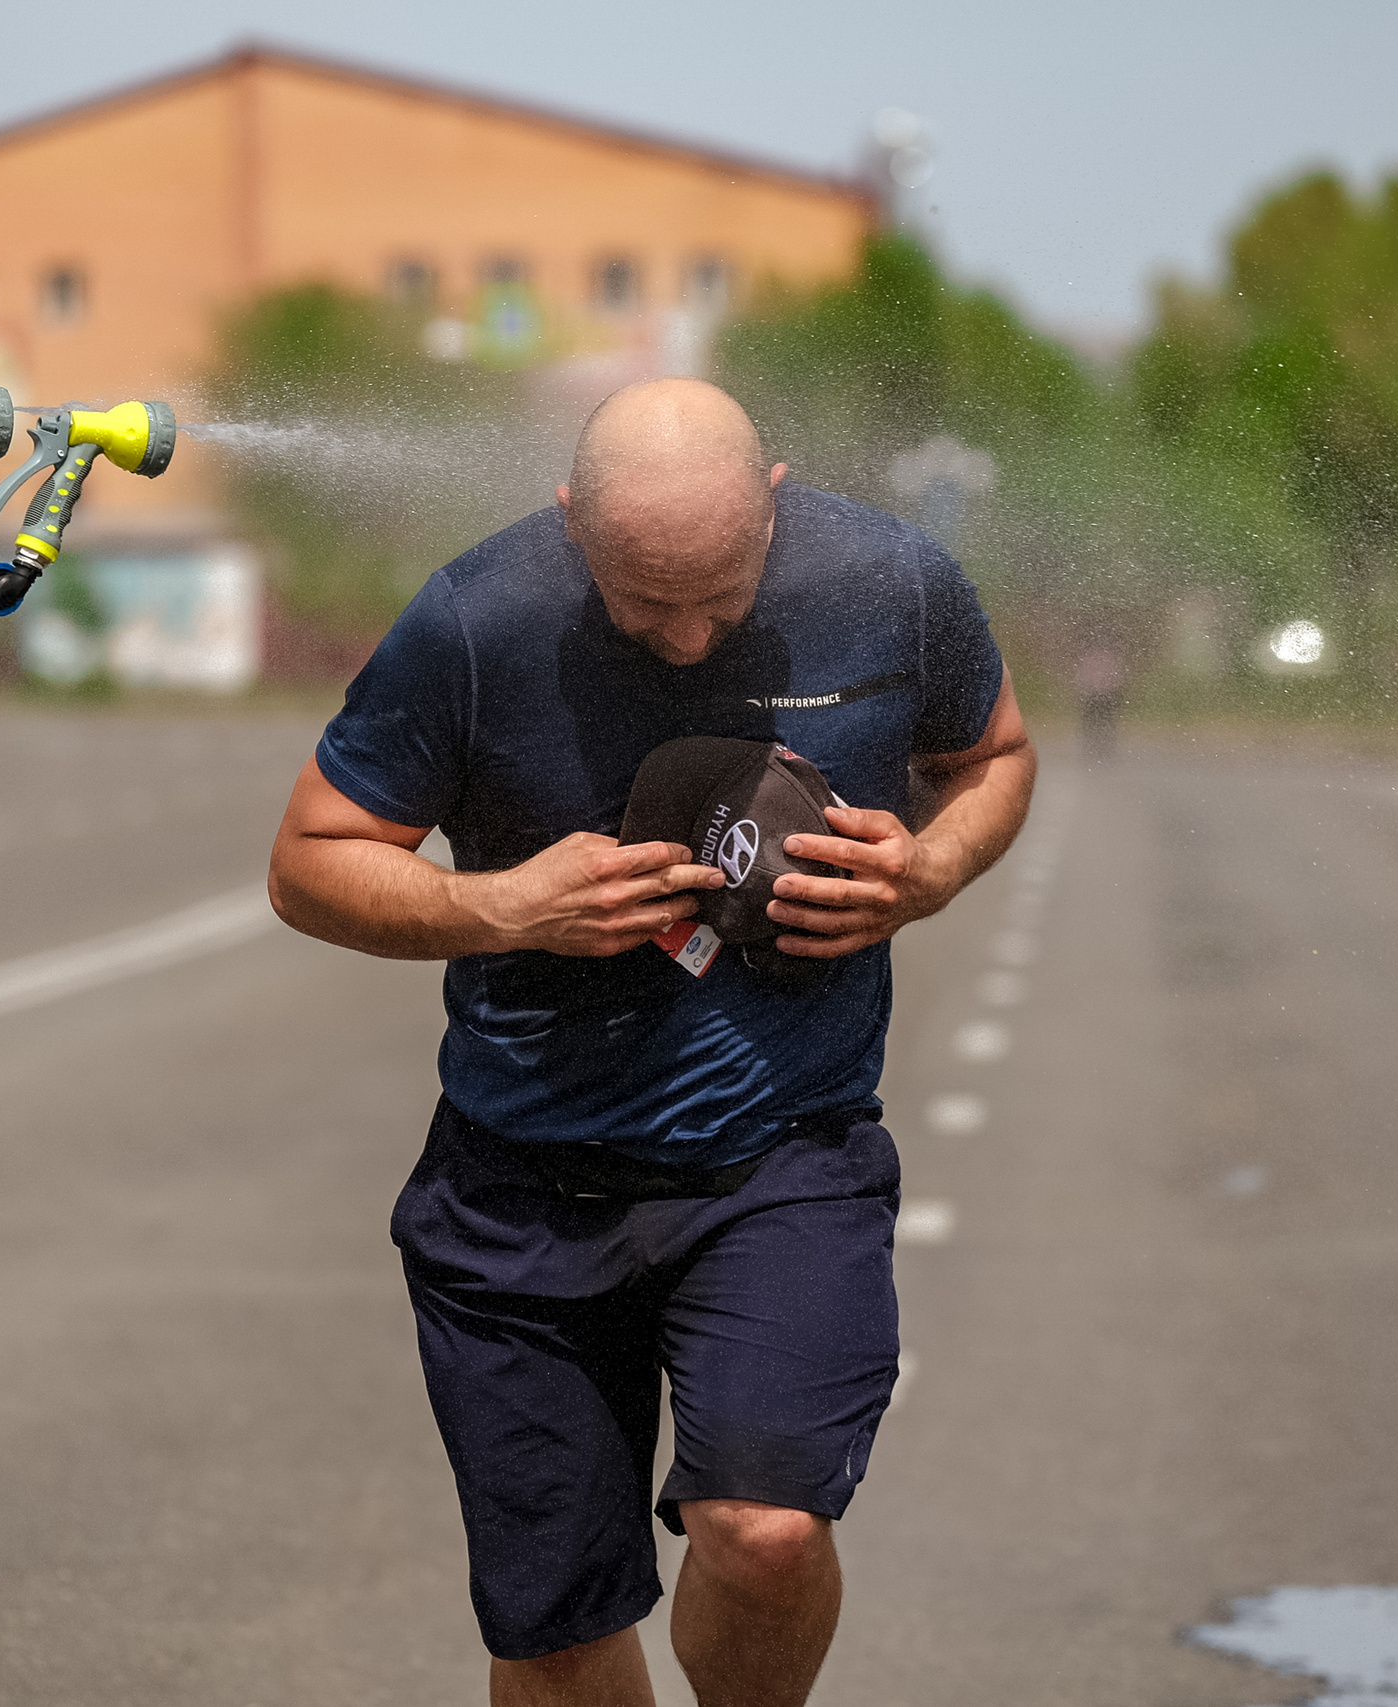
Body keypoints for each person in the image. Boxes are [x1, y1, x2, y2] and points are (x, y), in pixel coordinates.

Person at [267, 378, 1035, 1707]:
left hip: (783, 1158)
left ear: (777, 503)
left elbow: (996, 757)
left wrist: (931, 870)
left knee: (770, 1529)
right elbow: (308, 862)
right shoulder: (473, 618)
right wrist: (504, 904)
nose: (686, 637)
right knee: (559, 1642)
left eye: (722, 594)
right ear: (571, 525)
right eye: (642, 598)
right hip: (517, 1189)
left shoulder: (896, 581)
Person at [1073, 640, 1126, 759]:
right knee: (1094, 724)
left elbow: (1082, 679)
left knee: (1103, 724)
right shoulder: (1107, 658)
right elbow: (1116, 679)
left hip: (1099, 696)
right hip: (1098, 696)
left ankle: (1101, 750)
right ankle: (1096, 750)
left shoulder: (1096, 658)